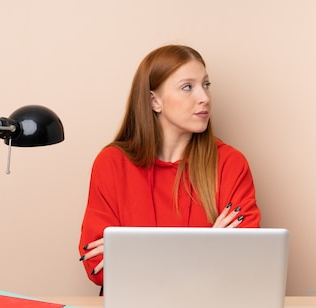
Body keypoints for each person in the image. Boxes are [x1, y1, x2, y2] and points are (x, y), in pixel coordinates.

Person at [78, 45, 261, 288]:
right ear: (155, 101)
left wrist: (132, 252)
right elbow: (99, 267)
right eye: (188, 87)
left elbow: (243, 262)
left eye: (206, 85)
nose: (204, 97)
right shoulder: (112, 163)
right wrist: (209, 248)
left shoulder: (230, 163)